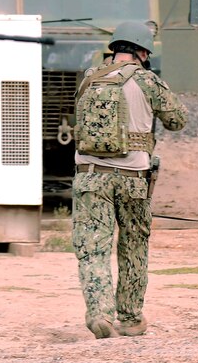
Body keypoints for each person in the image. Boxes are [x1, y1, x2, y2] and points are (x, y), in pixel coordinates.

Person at [71, 22, 188, 338]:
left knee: (93, 249)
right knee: (133, 246)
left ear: (115, 48)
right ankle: (131, 318)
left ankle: (100, 314)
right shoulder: (148, 80)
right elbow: (178, 120)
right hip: (134, 179)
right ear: (143, 51)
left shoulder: (88, 80)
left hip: (90, 178)